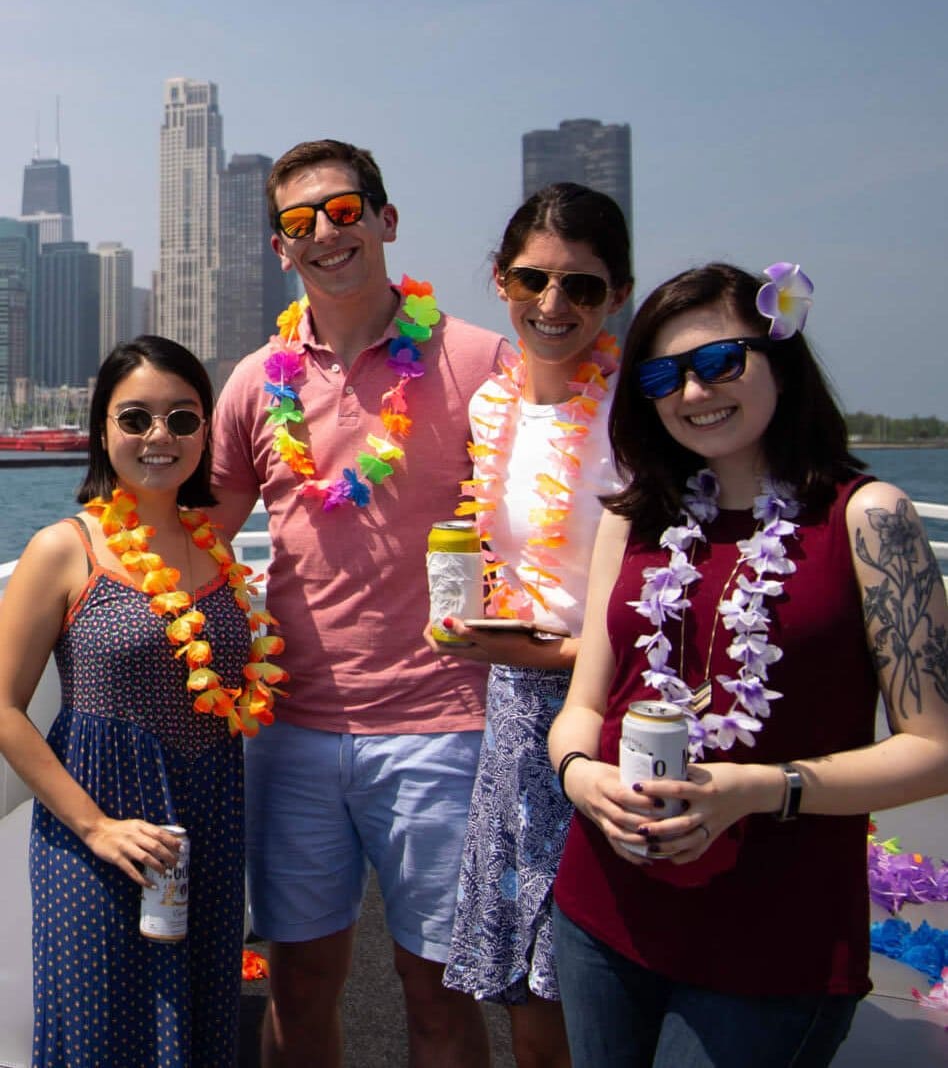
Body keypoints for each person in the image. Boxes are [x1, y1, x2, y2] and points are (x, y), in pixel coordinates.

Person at [548, 261, 948, 1068]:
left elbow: (936, 746)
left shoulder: (868, 520)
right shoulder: (634, 521)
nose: (693, 392)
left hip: (775, 939)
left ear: (781, 359)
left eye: (720, 362)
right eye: (664, 374)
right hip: (602, 908)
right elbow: (586, 704)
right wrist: (580, 776)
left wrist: (768, 788)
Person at [210, 138, 506, 1068]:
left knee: (439, 996)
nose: (326, 235)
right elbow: (201, 535)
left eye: (344, 211)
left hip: (445, 726)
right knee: (297, 987)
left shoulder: (475, 358)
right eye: (300, 223)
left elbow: (549, 515)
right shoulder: (258, 380)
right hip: (292, 727)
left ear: (385, 219)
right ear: (280, 250)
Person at [0, 335, 268, 1067]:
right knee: (98, 1036)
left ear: (207, 432)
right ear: (102, 430)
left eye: (183, 420)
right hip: (100, 831)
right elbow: (3, 707)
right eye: (136, 418)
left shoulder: (217, 551)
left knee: (199, 1027)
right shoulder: (65, 549)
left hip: (205, 824)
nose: (160, 437)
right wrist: (97, 828)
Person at [424, 183, 631, 1067]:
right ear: (500, 281)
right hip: (512, 707)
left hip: (615, 700)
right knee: (527, 983)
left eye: (581, 287)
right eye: (530, 279)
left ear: (617, 295)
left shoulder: (642, 414)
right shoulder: (491, 407)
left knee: (608, 972)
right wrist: (488, 635)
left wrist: (545, 650)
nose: (553, 306)